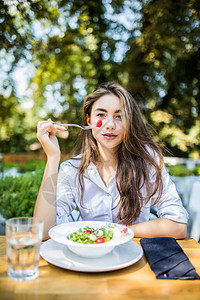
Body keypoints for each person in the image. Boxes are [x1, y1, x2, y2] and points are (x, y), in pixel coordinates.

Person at [34, 82, 188, 240]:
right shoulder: (73, 169)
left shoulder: (148, 161)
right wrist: (53, 157)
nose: (110, 125)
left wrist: (119, 231)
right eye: (101, 115)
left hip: (135, 258)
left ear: (129, 122)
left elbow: (177, 225)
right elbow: (43, 231)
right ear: (88, 120)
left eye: (119, 116)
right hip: (89, 260)